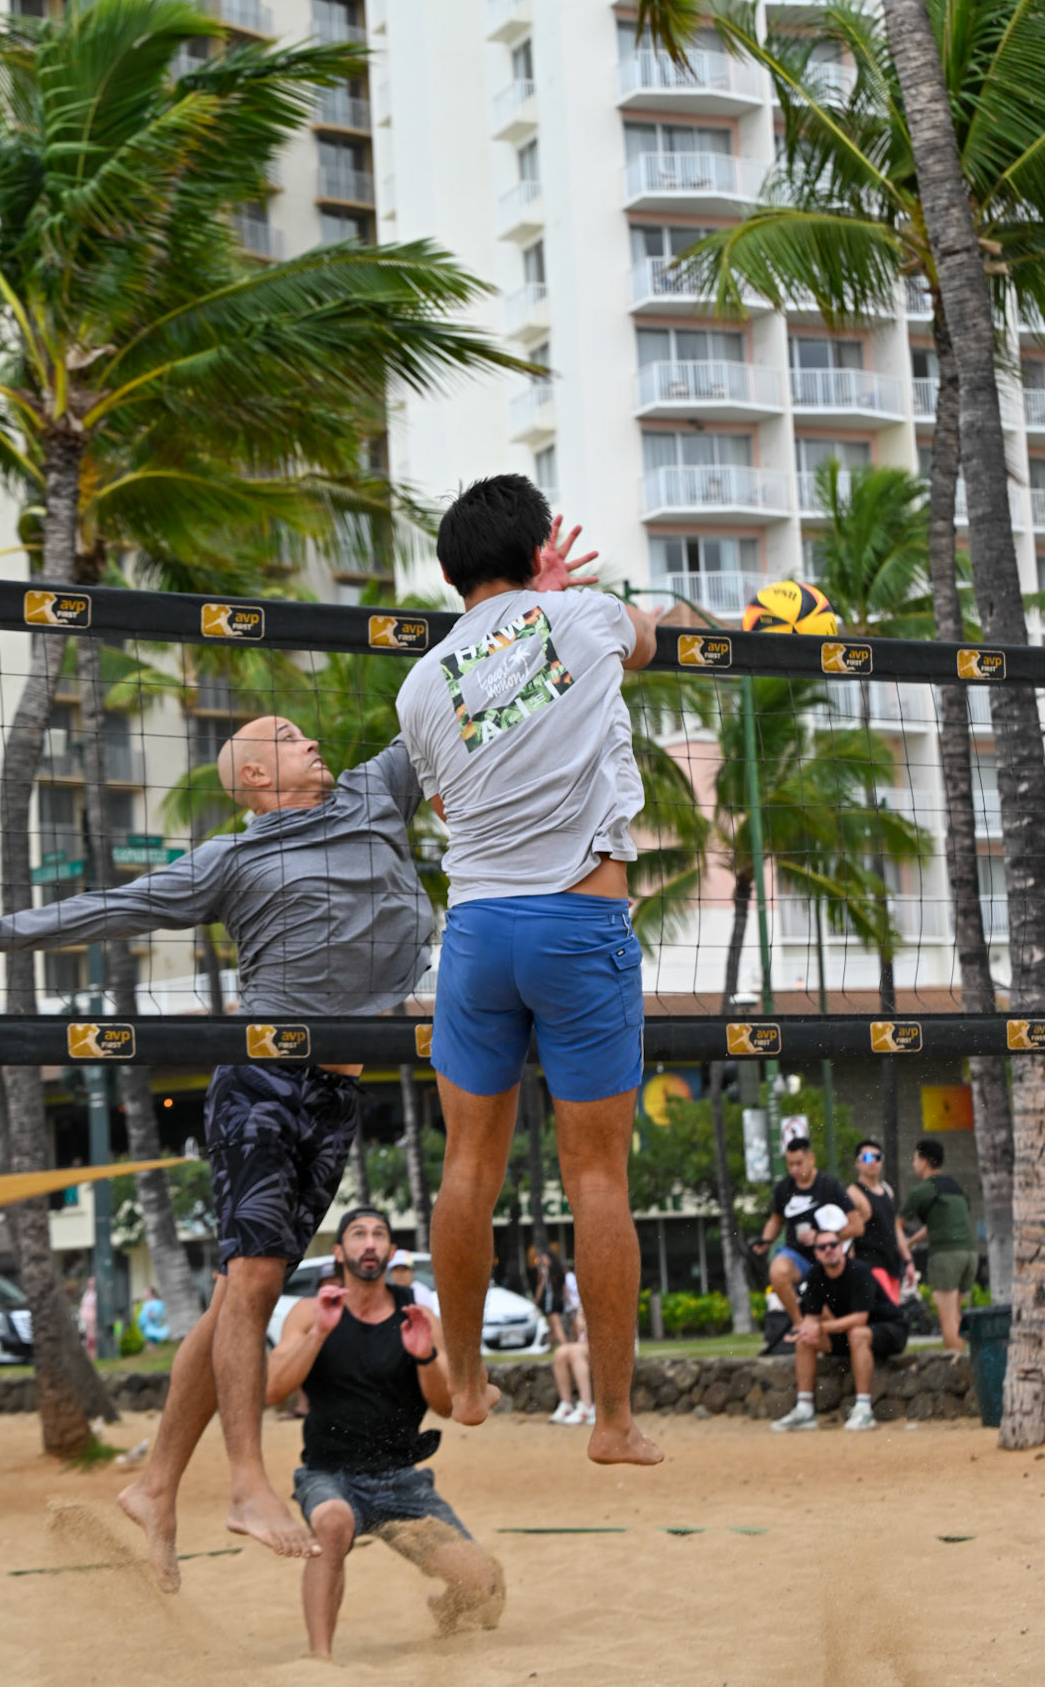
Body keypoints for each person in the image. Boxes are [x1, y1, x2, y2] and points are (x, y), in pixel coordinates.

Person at [0, 713, 437, 1580]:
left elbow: (457, 694)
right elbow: (115, 907)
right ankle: (246, 1483)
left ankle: (153, 1485)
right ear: (256, 778)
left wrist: (534, 604)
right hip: (262, 1079)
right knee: (254, 1282)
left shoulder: (375, 789)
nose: (311, 740)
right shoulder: (233, 858)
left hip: (337, 1092)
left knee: (233, 1302)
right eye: (290, 737)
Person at [395, 477, 664, 1468]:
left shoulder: (419, 683)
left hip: (475, 928)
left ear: (450, 568)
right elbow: (647, 634)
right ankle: (612, 1420)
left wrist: (522, 620)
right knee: (598, 1173)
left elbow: (447, 802)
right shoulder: (583, 616)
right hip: (579, 922)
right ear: (547, 542)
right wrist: (560, 599)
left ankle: (465, 1383)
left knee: (469, 1164)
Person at [266, 1206, 505, 1659]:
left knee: (480, 1582)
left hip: (401, 1480)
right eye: (358, 1234)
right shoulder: (308, 1311)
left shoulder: (418, 1316)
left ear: (392, 1252)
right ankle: (320, 1658)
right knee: (333, 1524)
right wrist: (319, 1332)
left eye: (379, 1235)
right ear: (340, 1253)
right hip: (329, 1474)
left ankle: (445, 1611)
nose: (370, 1243)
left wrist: (423, 1356)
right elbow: (273, 1389)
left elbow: (443, 1405)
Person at [771, 1206, 909, 1433]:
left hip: (888, 1330)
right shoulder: (815, 1275)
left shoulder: (860, 1271)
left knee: (857, 1333)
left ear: (841, 1247)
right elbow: (812, 1317)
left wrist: (821, 1327)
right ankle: (804, 1409)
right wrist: (804, 1331)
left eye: (833, 1245)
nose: (829, 1250)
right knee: (805, 1340)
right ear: (815, 1253)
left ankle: (864, 1409)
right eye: (822, 1247)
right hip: (849, 1336)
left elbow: (861, 1318)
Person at [752, 1130, 865, 1327]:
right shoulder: (783, 1188)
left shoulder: (829, 1185)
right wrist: (766, 1241)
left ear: (811, 1159)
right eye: (790, 1164)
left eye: (799, 1163)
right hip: (797, 1255)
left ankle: (833, 1338)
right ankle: (799, 1324)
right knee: (777, 1271)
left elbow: (857, 1226)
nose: (794, 1169)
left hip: (828, 1257)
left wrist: (822, 1238)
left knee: (827, 1312)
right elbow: (776, 1220)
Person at [902, 1138, 977, 1351]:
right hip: (969, 1254)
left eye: (915, 1159)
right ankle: (971, 1365)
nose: (913, 1164)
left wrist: (901, 1245)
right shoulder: (955, 1187)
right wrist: (911, 1242)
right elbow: (938, 1224)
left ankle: (961, 1372)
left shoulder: (922, 1190)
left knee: (948, 1321)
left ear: (924, 1161)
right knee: (956, 1315)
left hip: (946, 1255)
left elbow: (898, 1222)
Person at [846, 1139, 916, 1306]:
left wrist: (908, 1261)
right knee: (884, 1312)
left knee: (892, 1315)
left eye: (878, 1157)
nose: (874, 1162)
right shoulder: (853, 1193)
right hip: (869, 1263)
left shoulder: (886, 1190)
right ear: (858, 1162)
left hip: (891, 1263)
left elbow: (895, 1228)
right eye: (868, 1158)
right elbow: (847, 1235)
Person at [550, 1310, 592, 1425]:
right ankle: (566, 1405)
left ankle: (587, 1406)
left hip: (607, 1343)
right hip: (586, 1342)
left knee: (576, 1353)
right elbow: (580, 1320)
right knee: (560, 1352)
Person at [530, 1243, 568, 1346]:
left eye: (544, 1259)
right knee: (552, 1325)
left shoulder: (545, 1272)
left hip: (550, 1301)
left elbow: (540, 1288)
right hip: (559, 1301)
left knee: (556, 1325)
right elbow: (565, 1288)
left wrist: (536, 1302)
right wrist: (568, 1301)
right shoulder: (560, 1271)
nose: (543, 1261)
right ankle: (551, 1346)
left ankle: (564, 1346)